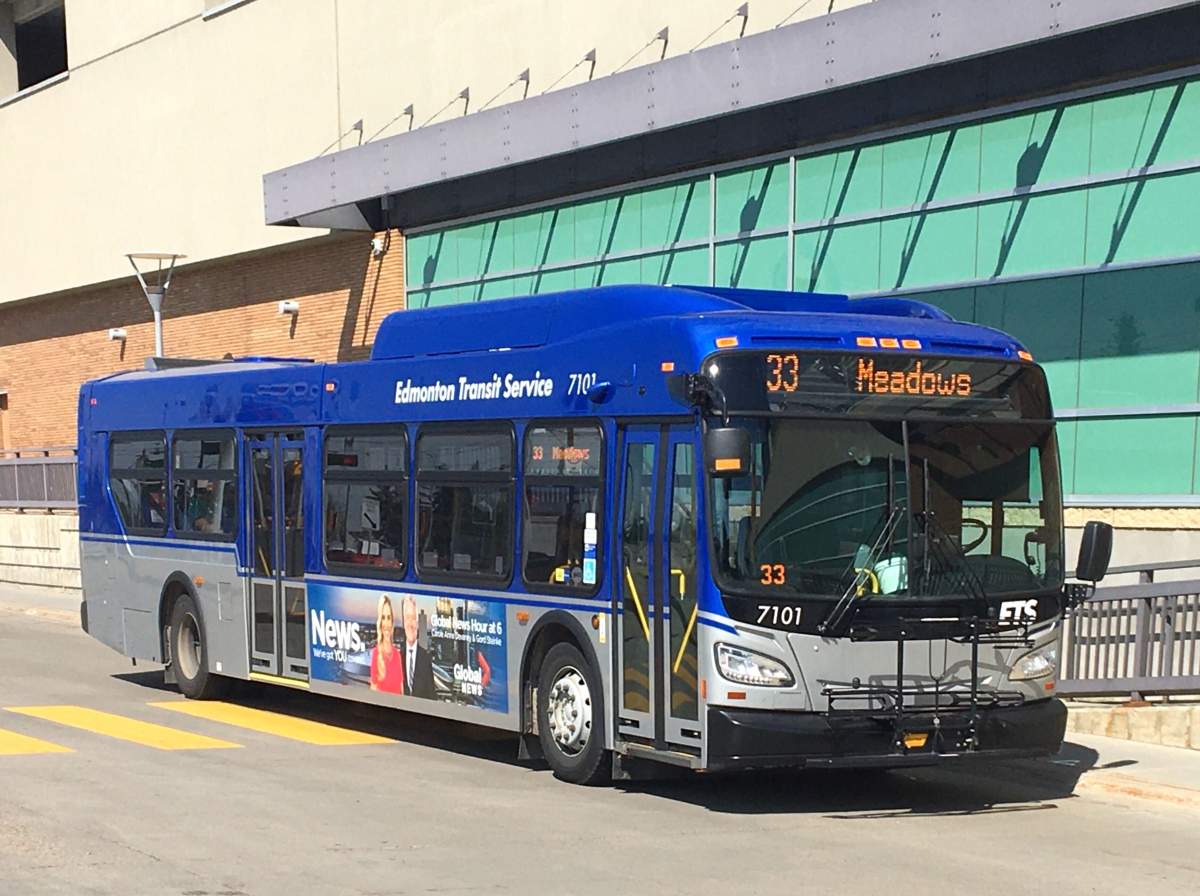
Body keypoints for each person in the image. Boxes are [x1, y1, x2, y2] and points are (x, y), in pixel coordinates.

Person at [400, 595, 435, 699]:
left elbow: (431, 695)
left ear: (417, 622)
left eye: (413, 618)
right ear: (403, 623)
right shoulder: (398, 656)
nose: (411, 624)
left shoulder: (425, 657)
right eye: (407, 618)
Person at [369, 595, 404, 693]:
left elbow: (401, 691)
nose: (386, 623)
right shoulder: (376, 653)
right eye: (383, 617)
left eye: (389, 617)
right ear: (380, 622)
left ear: (392, 621)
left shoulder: (397, 654)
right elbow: (373, 689)